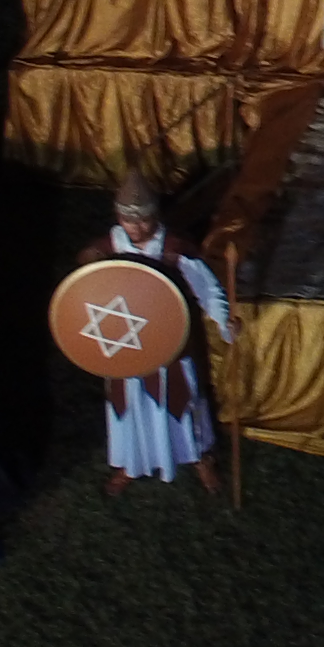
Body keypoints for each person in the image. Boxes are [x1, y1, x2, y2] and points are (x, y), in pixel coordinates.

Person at [83, 168, 231, 497]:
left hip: (171, 342)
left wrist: (223, 319)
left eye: (143, 220)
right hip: (126, 344)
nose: (136, 227)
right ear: (118, 217)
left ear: (155, 217)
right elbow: (87, 294)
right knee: (129, 402)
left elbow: (206, 288)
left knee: (181, 396)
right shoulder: (105, 250)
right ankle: (130, 460)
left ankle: (199, 455)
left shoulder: (174, 249)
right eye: (128, 220)